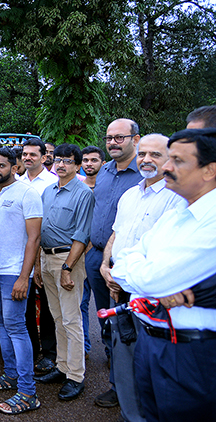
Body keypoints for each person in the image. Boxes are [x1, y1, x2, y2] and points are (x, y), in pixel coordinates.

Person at [111, 128, 216, 422]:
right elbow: (123, 260)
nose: (167, 167)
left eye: (177, 161)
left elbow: (153, 279)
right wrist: (143, 271)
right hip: (151, 344)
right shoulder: (177, 214)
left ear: (210, 171)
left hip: (191, 352)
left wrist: (143, 271)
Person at [98, 134, 184, 422]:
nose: (146, 160)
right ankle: (129, 414)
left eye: (155, 155)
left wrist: (124, 276)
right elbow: (116, 233)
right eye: (143, 154)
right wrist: (105, 265)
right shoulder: (130, 195)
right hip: (119, 288)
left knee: (153, 367)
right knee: (123, 362)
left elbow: (167, 251)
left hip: (151, 295)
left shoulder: (178, 199)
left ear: (170, 159)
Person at [84, 119, 142, 408]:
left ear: (136, 139)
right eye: (108, 137)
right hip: (97, 257)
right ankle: (116, 380)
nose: (113, 142)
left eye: (120, 137)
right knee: (106, 318)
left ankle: (131, 388)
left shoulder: (143, 176)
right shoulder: (103, 172)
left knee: (129, 325)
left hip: (130, 264)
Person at [0, 148, 42, 415]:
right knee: (3, 324)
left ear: (15, 167)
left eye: (2, 166)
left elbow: (34, 239)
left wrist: (23, 277)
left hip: (12, 274)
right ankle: (11, 375)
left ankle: (28, 393)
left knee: (17, 328)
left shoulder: (29, 194)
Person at [34, 143, 93, 401]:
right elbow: (40, 230)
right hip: (46, 259)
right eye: (57, 159)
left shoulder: (83, 193)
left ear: (77, 165)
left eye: (67, 161)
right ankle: (62, 366)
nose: (61, 164)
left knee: (71, 320)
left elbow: (82, 235)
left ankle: (76, 376)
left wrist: (68, 267)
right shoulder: (48, 191)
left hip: (68, 260)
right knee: (58, 318)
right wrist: (38, 264)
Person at [18, 137, 59, 374]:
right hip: (22, 253)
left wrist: (39, 262)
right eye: (25, 154)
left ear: (44, 157)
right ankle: (31, 350)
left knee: (47, 306)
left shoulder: (52, 183)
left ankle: (51, 354)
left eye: (33, 154)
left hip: (44, 252)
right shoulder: (19, 183)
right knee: (24, 307)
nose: (28, 158)